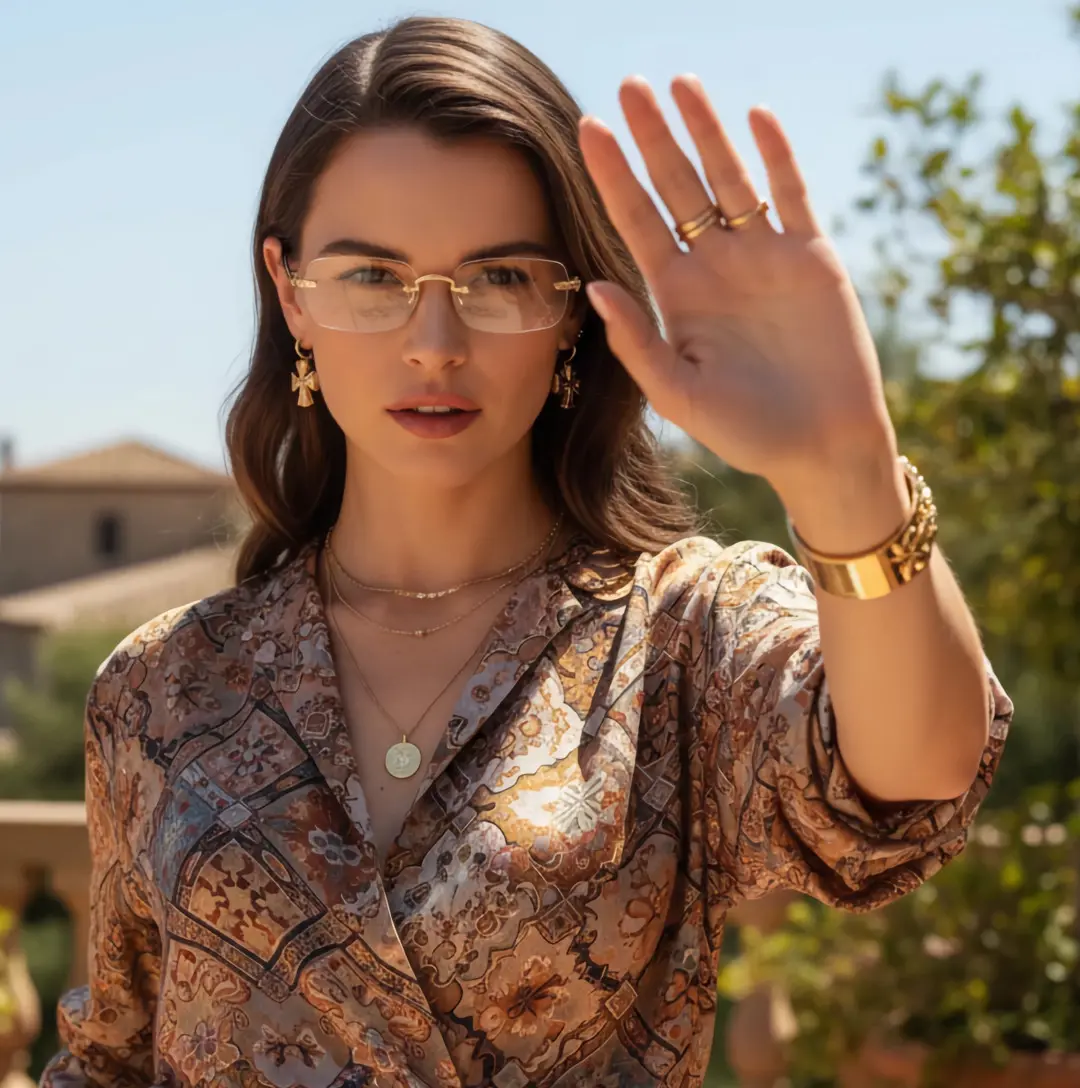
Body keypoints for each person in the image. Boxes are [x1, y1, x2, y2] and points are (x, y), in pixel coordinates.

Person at [41, 16, 1011, 1088]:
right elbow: (113, 1054)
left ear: (570, 315)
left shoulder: (682, 635)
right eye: (371, 275)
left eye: (499, 277)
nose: (434, 341)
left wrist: (845, 471)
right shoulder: (161, 685)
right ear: (290, 290)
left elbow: (914, 776)